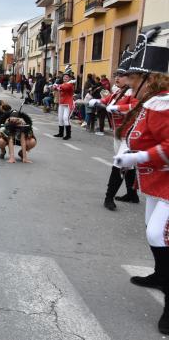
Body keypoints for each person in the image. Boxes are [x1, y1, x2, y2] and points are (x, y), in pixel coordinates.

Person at [113, 28, 169, 335]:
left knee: (159, 235)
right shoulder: (153, 103)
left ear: (151, 78)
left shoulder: (164, 104)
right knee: (154, 236)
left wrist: (138, 158)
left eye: (134, 79)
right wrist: (129, 151)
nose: (129, 84)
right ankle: (161, 275)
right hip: (158, 184)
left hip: (167, 184)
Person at [89, 49, 139, 210]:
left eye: (121, 75)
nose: (117, 77)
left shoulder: (134, 92)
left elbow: (134, 107)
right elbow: (106, 100)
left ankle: (108, 198)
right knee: (129, 165)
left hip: (131, 135)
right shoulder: (118, 92)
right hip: (119, 134)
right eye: (116, 74)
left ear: (131, 77)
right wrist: (94, 101)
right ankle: (132, 195)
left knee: (119, 163)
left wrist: (116, 108)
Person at [52, 65, 76, 140]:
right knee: (60, 118)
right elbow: (55, 88)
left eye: (67, 77)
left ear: (70, 78)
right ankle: (61, 133)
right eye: (64, 77)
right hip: (62, 103)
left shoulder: (70, 84)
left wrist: (56, 86)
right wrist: (54, 86)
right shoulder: (63, 84)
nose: (65, 78)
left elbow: (62, 87)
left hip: (69, 104)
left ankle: (68, 135)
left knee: (66, 118)